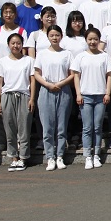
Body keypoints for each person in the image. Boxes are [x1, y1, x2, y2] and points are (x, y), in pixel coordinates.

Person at [71, 27, 111, 170]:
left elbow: (109, 75)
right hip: (85, 96)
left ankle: (96, 154)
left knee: (97, 127)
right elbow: (76, 76)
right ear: (86, 40)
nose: (93, 42)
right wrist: (78, 94)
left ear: (99, 40)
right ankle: (87, 156)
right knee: (87, 127)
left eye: (95, 39)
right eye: (90, 39)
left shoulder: (104, 56)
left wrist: (107, 93)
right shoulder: (80, 57)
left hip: (100, 96)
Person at [0, 32, 36, 172]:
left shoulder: (29, 60)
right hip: (7, 95)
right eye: (13, 43)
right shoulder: (2, 61)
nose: (16, 46)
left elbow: (32, 80)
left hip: (24, 95)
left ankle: (23, 157)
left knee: (24, 127)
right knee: (9, 127)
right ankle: (13, 157)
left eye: (18, 43)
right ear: (8, 45)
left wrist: (32, 98)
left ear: (22, 45)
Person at [34, 24, 74, 171]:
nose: (54, 38)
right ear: (48, 37)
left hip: (63, 89)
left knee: (61, 126)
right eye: (52, 35)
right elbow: (36, 73)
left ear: (61, 36)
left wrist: (60, 83)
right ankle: (50, 157)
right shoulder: (42, 54)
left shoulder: (67, 53)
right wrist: (47, 84)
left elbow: (72, 74)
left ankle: (60, 156)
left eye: (57, 35)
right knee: (48, 126)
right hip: (46, 89)